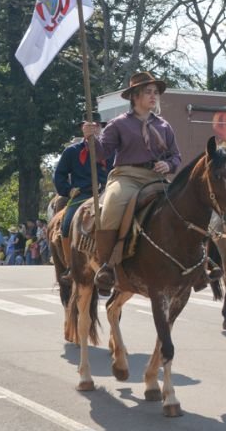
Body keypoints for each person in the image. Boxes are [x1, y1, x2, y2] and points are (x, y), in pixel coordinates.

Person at [83, 71, 181, 294]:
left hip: (156, 179)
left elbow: (176, 156)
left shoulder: (165, 126)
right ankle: (106, 266)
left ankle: (198, 263)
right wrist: (90, 138)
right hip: (126, 176)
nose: (153, 96)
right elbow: (101, 153)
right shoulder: (118, 124)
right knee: (112, 207)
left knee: (183, 205)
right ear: (135, 96)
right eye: (148, 92)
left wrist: (169, 165)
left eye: (155, 92)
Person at [53, 112, 111, 283]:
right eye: (89, 126)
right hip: (82, 195)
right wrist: (68, 190)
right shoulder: (72, 151)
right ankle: (70, 264)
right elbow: (60, 175)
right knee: (67, 222)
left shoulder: (110, 151)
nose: (94, 128)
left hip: (107, 194)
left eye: (97, 126)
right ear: (82, 128)